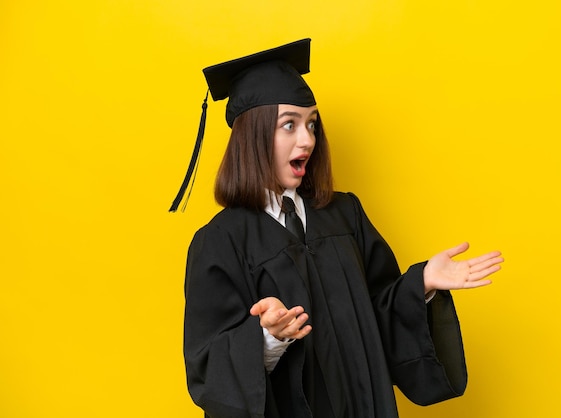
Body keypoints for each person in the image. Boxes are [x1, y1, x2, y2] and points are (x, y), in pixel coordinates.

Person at [171, 39, 504, 418]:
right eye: (289, 125)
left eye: (312, 124)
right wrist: (267, 337)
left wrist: (421, 284)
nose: (308, 139)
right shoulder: (220, 242)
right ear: (253, 136)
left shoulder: (345, 214)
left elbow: (378, 314)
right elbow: (207, 367)